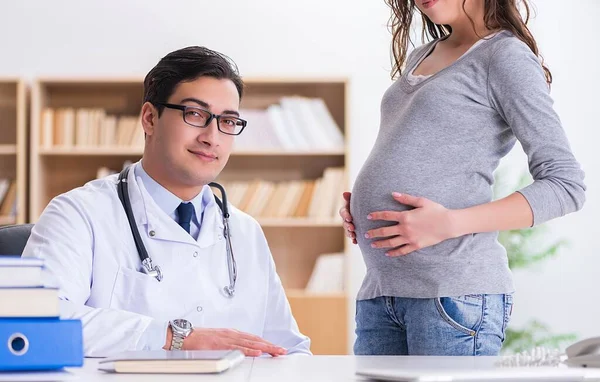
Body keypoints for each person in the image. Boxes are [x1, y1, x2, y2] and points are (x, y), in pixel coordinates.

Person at [22, 46, 311, 357]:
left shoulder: (245, 231)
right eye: (196, 114)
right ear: (149, 118)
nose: (212, 137)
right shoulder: (79, 213)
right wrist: (173, 335)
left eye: (227, 121)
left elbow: (289, 349)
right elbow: (33, 323)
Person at [339, 0, 586, 356]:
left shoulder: (504, 57)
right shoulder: (422, 55)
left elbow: (566, 185)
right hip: (382, 293)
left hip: (452, 297)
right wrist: (363, 207)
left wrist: (449, 223)